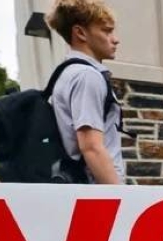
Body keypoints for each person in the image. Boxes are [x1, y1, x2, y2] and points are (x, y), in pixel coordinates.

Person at [46, 0, 125, 184]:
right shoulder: (87, 77)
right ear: (80, 33)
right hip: (98, 192)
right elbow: (91, 147)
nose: (115, 39)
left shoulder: (67, 73)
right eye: (106, 31)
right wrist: (122, 198)